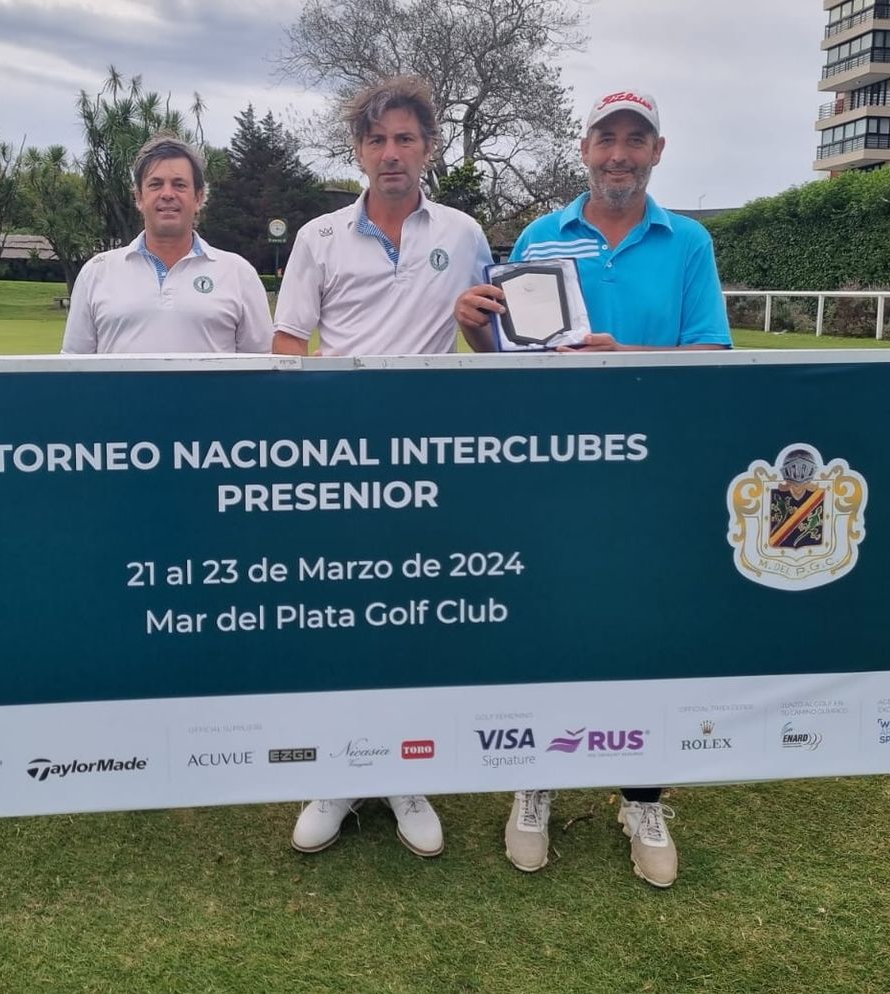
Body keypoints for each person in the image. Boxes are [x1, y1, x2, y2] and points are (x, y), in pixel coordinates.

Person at [456, 89, 731, 888]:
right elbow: (509, 362)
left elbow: (712, 358)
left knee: (643, 629)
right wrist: (478, 328)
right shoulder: (543, 237)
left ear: (657, 150)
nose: (619, 153)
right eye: (605, 137)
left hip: (655, 474)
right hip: (558, 472)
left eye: (634, 140)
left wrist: (622, 354)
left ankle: (642, 793)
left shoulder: (687, 242)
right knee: (551, 620)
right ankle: (536, 777)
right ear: (584, 148)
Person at [274, 76, 494, 857]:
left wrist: (480, 328)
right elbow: (288, 348)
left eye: (406, 138)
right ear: (359, 151)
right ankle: (336, 772)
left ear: (429, 147)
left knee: (412, 619)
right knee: (338, 619)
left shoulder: (465, 233)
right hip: (336, 462)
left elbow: (490, 346)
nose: (391, 153)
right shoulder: (319, 237)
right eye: (377, 140)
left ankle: (405, 770)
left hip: (430, 463)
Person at [61, 135, 272, 355]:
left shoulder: (238, 273)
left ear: (198, 197)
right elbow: (73, 369)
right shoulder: (97, 272)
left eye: (179, 185)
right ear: (139, 197)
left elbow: (262, 368)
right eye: (156, 184)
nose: (168, 194)